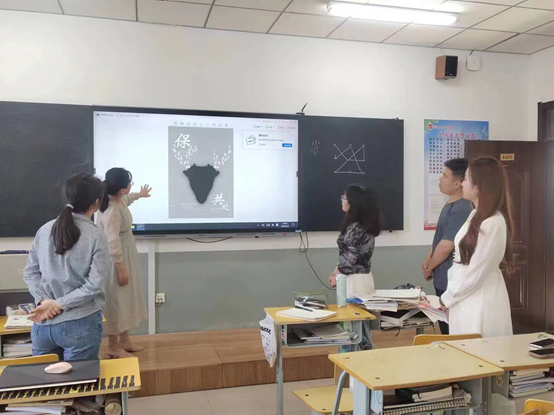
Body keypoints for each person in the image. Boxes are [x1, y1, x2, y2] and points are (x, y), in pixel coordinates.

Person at [23, 173, 110, 361]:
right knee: (81, 380)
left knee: (44, 380)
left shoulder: (44, 230)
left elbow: (30, 272)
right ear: (96, 202)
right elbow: (95, 285)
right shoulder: (95, 235)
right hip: (80, 324)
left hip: (43, 324)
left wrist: (43, 301)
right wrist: (58, 304)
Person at [440, 156, 514, 337]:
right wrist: (450, 297)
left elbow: (475, 272)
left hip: (479, 300)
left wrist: (446, 299)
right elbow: (462, 263)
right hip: (463, 296)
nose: (462, 183)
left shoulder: (492, 222)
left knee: (479, 348)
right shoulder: (475, 214)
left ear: (479, 186)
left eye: (466, 179)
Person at [96, 168, 151, 359]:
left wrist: (139, 195)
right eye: (129, 184)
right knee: (116, 300)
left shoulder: (117, 200)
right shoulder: (111, 210)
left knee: (126, 298)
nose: (130, 187)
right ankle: (113, 346)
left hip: (126, 255)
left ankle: (125, 340)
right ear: (122, 189)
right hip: (116, 261)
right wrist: (120, 267)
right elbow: (112, 241)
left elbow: (127, 199)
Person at [422, 159, 472, 334]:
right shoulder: (450, 205)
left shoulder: (461, 209)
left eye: (444, 176)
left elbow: (446, 247)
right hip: (441, 276)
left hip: (450, 279)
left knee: (450, 329)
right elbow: (440, 237)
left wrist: (430, 267)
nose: (440, 179)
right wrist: (428, 259)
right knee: (444, 325)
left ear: (457, 183)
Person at [328, 184, 382, 297]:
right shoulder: (364, 224)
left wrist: (336, 275)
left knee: (353, 308)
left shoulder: (355, 228)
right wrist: (336, 271)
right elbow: (347, 254)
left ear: (352, 202)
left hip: (354, 281)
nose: (342, 200)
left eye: (344, 197)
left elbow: (350, 258)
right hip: (363, 278)